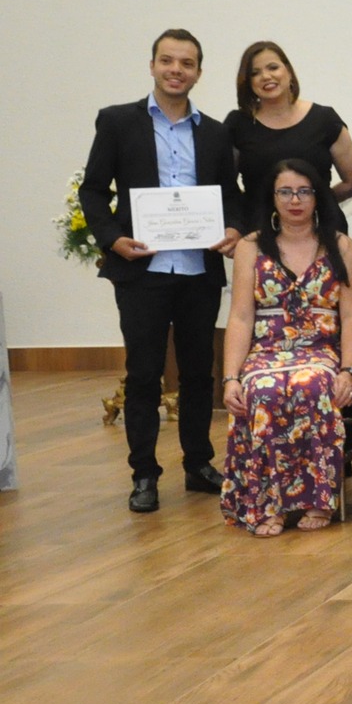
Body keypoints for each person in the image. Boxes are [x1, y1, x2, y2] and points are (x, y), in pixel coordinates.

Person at [80, 28, 244, 512]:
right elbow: (93, 190)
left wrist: (233, 228)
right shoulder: (117, 122)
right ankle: (144, 474)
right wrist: (112, 239)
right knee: (145, 373)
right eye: (168, 61)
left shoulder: (214, 132)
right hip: (142, 271)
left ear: (198, 72)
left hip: (198, 269)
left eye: (187, 63)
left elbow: (230, 196)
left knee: (198, 373)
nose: (177, 70)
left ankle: (197, 464)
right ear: (152, 66)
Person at [219, 159, 352, 535]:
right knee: (261, 392)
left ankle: (317, 499)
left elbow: (351, 316)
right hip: (265, 351)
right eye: (285, 192)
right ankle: (268, 504)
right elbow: (239, 318)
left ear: (317, 197)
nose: (294, 200)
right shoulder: (251, 247)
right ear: (273, 198)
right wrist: (231, 377)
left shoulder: (340, 245)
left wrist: (348, 370)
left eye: (304, 191)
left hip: (320, 350)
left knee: (312, 387)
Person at [225, 40, 352, 232]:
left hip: (322, 231)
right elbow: (225, 185)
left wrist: (315, 200)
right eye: (255, 73)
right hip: (260, 233)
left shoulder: (325, 119)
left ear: (288, 72)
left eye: (273, 67)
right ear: (247, 82)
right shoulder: (237, 124)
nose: (266, 76)